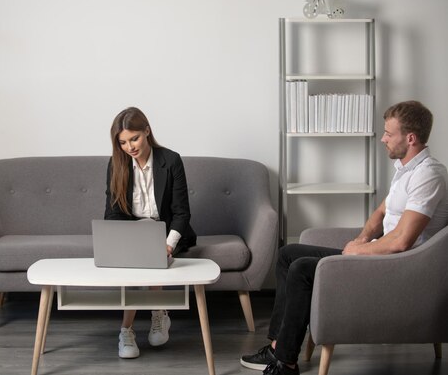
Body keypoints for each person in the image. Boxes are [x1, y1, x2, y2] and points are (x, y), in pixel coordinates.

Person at [240, 100, 448, 375]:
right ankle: (279, 345)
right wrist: (361, 240)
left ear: (410, 138)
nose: (383, 139)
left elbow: (401, 242)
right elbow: (380, 213)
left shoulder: (428, 176)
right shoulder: (406, 170)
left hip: (399, 269)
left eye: (389, 133)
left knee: (302, 269)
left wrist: (355, 252)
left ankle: (285, 363)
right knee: (288, 254)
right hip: (379, 257)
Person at [104, 106, 197, 359]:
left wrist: (167, 245)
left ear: (147, 131)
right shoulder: (116, 164)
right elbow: (112, 213)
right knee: (134, 260)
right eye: (122, 142)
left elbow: (181, 212)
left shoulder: (171, 160)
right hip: (133, 230)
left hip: (166, 229)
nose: (129, 147)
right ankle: (140, 323)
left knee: (153, 258)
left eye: (134, 138)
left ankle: (146, 319)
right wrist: (119, 242)